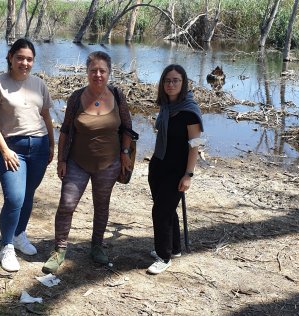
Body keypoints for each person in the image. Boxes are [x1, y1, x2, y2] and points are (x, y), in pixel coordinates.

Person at [42, 51, 136, 274]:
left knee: (101, 207)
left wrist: (124, 153)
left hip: (109, 163)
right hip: (77, 162)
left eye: (102, 71)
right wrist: (62, 159)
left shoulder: (117, 95)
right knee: (66, 205)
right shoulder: (76, 97)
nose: (98, 75)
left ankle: (97, 246)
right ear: (87, 72)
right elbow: (65, 130)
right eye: (93, 70)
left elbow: (128, 128)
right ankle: (59, 251)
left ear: (109, 73)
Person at [0, 38, 55, 272]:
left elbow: (46, 116)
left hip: (40, 146)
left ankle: (20, 234)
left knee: (28, 194)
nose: (25, 62)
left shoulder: (39, 84)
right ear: (10, 58)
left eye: (29, 59)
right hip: (12, 148)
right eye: (20, 58)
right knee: (14, 198)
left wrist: (52, 145)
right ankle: (6, 246)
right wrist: (4, 149)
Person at [147, 64, 203, 275]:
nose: (171, 84)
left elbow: (195, 145)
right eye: (167, 80)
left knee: (160, 212)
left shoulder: (189, 110)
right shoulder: (165, 106)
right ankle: (175, 248)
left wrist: (188, 175)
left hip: (177, 169)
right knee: (167, 209)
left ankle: (164, 256)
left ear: (183, 82)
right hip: (159, 164)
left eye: (175, 80)